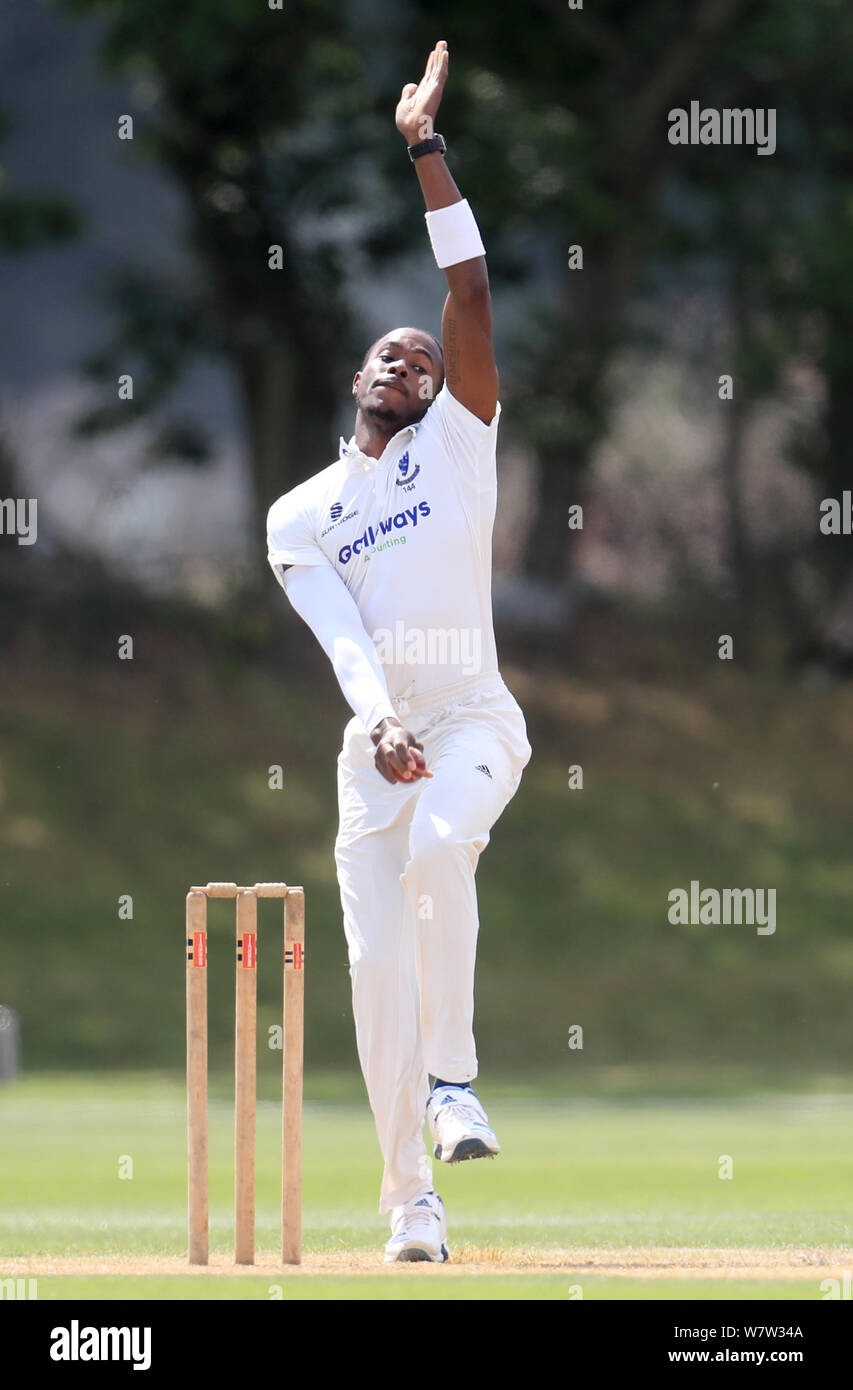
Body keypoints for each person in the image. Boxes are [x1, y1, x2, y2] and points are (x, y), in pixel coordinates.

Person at [266, 40, 531, 1263]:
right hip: (372, 750)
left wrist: (424, 149)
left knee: (444, 845)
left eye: (424, 360)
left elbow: (468, 292)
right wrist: (375, 721)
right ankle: (406, 1203)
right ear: (359, 378)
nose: (411, 359)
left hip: (472, 718)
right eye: (393, 353)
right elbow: (339, 641)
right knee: (375, 979)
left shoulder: (459, 444)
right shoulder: (301, 512)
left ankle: (457, 1082)